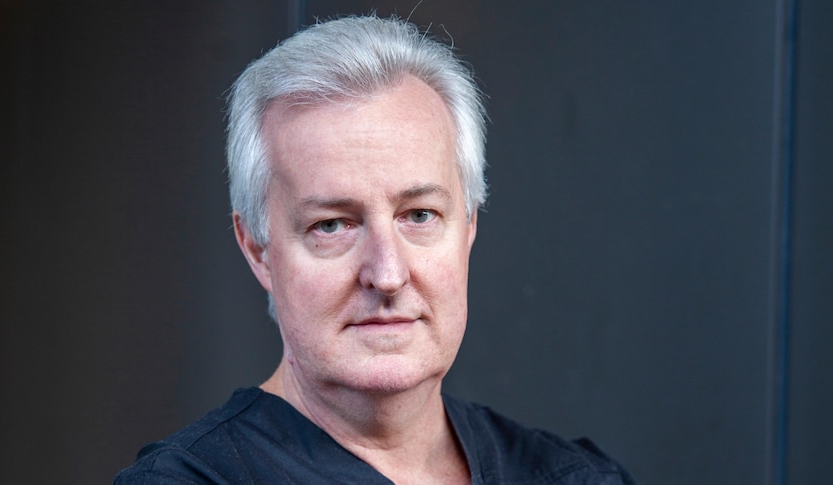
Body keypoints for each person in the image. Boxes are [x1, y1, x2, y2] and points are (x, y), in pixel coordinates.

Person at [115, 15, 636, 484]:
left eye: (419, 216)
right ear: (257, 248)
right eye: (333, 225)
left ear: (469, 227)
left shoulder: (574, 478)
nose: (387, 275)